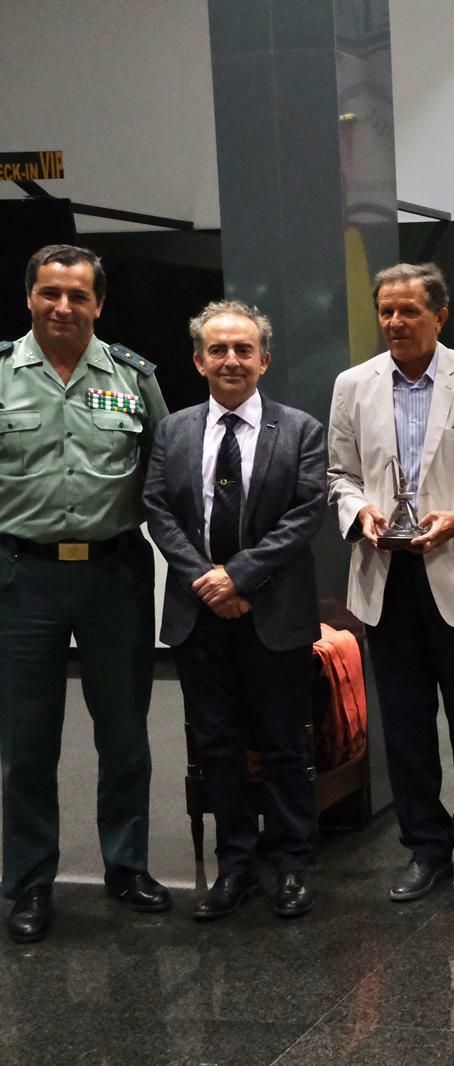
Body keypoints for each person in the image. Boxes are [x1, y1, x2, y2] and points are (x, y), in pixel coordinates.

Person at [327, 262, 454, 901]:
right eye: (386, 311)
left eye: (409, 311)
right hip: (385, 578)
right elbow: (339, 476)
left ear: (440, 315)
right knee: (405, 724)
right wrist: (360, 515)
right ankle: (424, 848)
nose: (395, 322)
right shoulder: (353, 385)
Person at [0, 244, 172, 944]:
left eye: (76, 295)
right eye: (49, 293)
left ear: (99, 303)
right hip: (24, 575)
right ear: (29, 298)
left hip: (114, 575)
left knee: (125, 732)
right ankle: (31, 882)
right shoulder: (2, 375)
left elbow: (167, 470)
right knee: (27, 740)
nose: (62, 307)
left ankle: (126, 866)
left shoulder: (132, 378)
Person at [144, 301, 326, 920]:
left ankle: (294, 864)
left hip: (274, 612)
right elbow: (158, 510)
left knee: (283, 744)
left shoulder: (300, 429)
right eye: (218, 350)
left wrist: (239, 575)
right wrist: (206, 581)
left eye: (243, 350)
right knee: (216, 744)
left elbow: (305, 513)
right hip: (200, 616)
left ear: (264, 359)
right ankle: (235, 866)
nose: (231, 360)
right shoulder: (172, 431)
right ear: (198, 361)